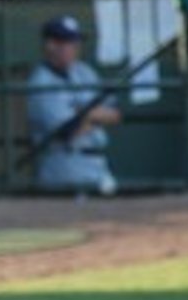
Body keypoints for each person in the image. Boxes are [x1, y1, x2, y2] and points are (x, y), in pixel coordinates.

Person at [26, 15, 121, 194]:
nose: (74, 49)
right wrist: (95, 116)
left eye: (75, 43)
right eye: (68, 43)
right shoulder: (41, 81)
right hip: (64, 167)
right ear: (50, 45)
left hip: (98, 165)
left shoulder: (84, 72)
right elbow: (67, 131)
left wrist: (85, 114)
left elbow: (115, 114)